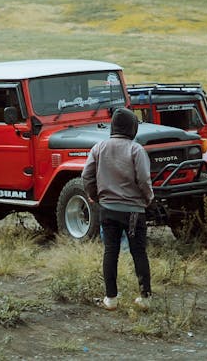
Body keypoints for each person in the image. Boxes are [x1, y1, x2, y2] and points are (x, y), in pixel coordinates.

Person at [81, 107, 153, 310]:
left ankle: (111, 298)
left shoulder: (98, 147)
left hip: (107, 209)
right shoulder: (136, 149)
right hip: (133, 211)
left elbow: (86, 176)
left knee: (110, 252)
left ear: (113, 126)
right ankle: (145, 298)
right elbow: (144, 180)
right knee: (138, 252)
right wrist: (148, 199)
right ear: (133, 127)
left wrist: (95, 196)